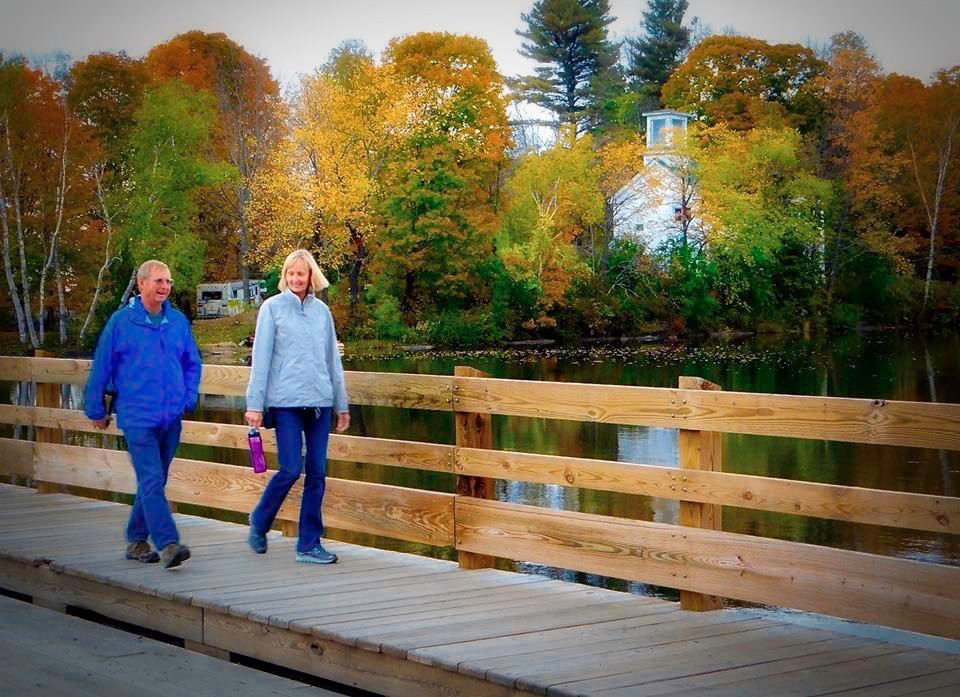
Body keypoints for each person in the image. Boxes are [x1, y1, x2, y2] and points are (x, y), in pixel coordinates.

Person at [84, 260, 201, 570]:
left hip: (171, 416)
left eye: (169, 282)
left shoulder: (177, 321)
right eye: (159, 281)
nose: (165, 287)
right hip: (137, 416)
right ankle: (168, 544)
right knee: (150, 478)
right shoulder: (122, 323)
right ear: (142, 284)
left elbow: (192, 363)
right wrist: (95, 408)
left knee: (156, 480)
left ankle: (136, 540)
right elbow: (101, 367)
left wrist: (187, 398)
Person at [245, 249, 350, 564]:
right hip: (286, 402)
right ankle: (260, 522)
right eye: (290, 273)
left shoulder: (322, 312)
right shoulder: (272, 309)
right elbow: (260, 360)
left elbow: (333, 361)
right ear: (285, 276)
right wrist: (255, 404)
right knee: (290, 469)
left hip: (319, 402)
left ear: (310, 276)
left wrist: (341, 404)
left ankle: (308, 544)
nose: (295, 279)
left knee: (318, 473)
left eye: (300, 274)